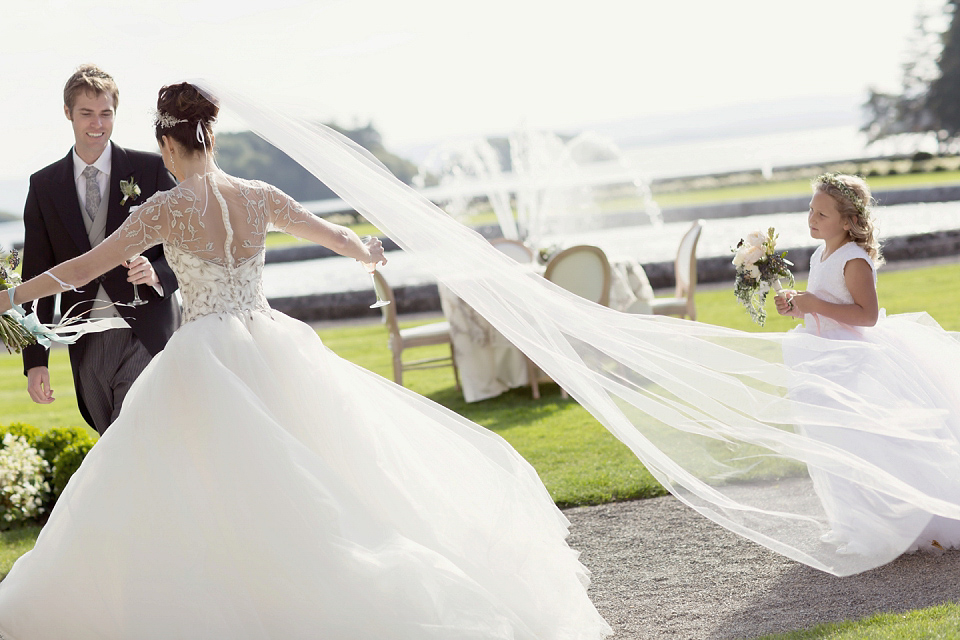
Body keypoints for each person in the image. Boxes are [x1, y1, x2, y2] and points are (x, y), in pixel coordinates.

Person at [0, 83, 612, 639]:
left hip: (204, 354)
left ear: (167, 141)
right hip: (272, 344)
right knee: (316, 474)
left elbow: (82, 268)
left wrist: (14, 295)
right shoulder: (258, 196)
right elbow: (334, 235)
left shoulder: (164, 209)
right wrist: (366, 252)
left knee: (209, 488)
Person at [775, 173, 960, 557]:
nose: (812, 218)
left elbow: (866, 316)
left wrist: (812, 303)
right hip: (820, 354)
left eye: (822, 214)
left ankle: (878, 528)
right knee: (831, 440)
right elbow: (822, 305)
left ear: (848, 221)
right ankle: (850, 522)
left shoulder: (854, 260)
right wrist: (797, 305)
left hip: (851, 358)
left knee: (858, 441)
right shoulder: (819, 253)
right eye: (811, 209)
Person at [20, 64, 180, 435]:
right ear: (68, 114)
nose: (98, 123)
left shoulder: (151, 169)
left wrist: (159, 272)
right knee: (112, 443)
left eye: (106, 113)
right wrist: (36, 360)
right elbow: (37, 277)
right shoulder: (44, 186)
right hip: (86, 340)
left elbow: (185, 245)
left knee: (135, 437)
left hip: (147, 331)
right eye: (87, 113)